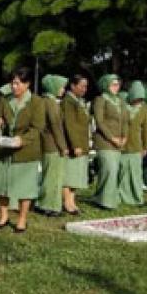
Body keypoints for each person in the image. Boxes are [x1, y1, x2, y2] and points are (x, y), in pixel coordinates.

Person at [0, 67, 44, 233]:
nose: (14, 86)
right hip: (6, 149)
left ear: (27, 84)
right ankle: (3, 216)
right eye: (12, 83)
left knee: (25, 187)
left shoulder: (37, 102)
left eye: (18, 83)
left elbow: (37, 128)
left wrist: (22, 140)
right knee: (2, 185)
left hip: (26, 151)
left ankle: (22, 219)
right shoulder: (5, 100)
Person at [92, 74, 127, 210]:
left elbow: (125, 121)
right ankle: (104, 200)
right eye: (113, 84)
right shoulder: (100, 100)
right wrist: (112, 138)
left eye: (117, 84)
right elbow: (99, 121)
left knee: (115, 171)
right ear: (106, 85)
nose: (116, 87)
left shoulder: (120, 101)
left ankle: (108, 198)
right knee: (108, 170)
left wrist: (124, 137)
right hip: (105, 141)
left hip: (119, 142)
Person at [35, 74, 68, 217]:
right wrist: (63, 146)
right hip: (53, 145)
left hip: (47, 143)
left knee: (48, 174)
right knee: (53, 176)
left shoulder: (44, 101)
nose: (63, 90)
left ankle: (44, 203)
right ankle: (50, 205)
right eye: (61, 87)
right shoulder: (51, 103)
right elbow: (55, 125)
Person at [61, 74, 90, 214]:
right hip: (73, 144)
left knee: (76, 175)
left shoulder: (79, 101)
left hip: (82, 143)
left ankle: (72, 201)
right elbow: (69, 124)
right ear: (73, 86)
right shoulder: (69, 101)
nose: (85, 89)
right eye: (82, 86)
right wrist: (75, 144)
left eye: (86, 86)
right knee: (69, 175)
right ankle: (67, 203)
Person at [118, 81, 147, 206]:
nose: (138, 100)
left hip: (136, 146)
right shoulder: (123, 107)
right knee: (122, 172)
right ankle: (123, 196)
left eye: (140, 98)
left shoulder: (144, 110)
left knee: (136, 174)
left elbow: (146, 129)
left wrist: (146, 146)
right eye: (136, 97)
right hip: (122, 145)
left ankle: (136, 197)